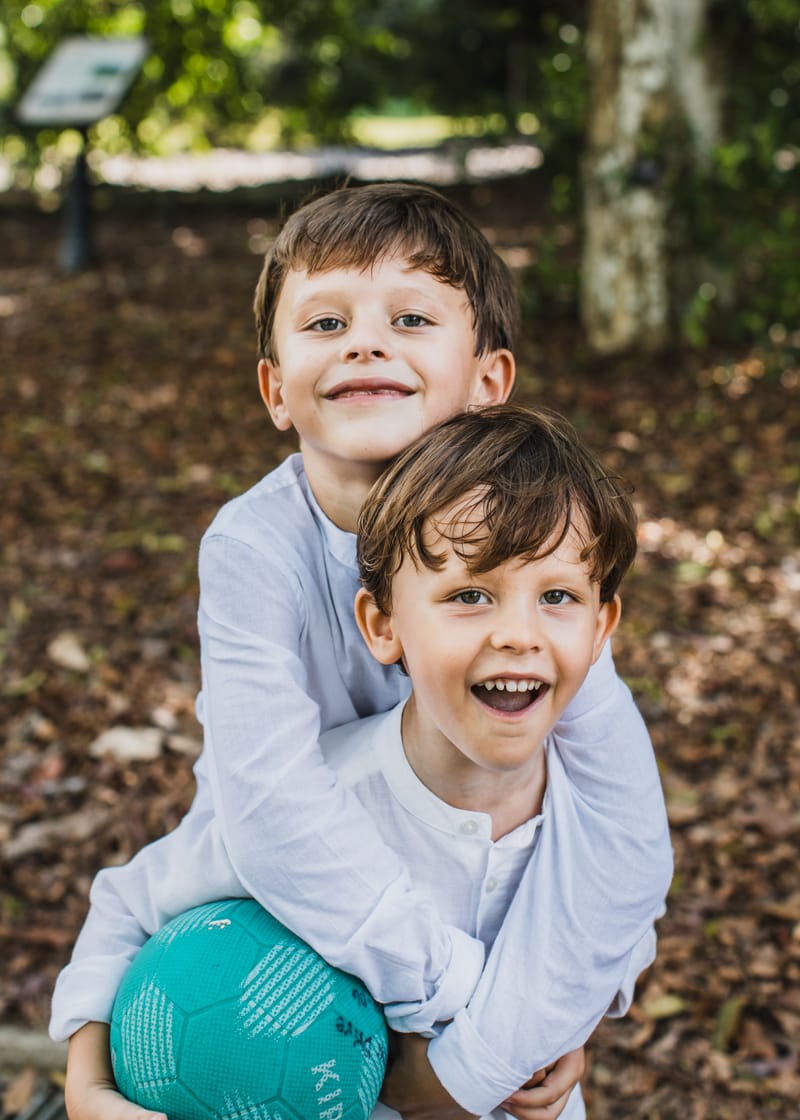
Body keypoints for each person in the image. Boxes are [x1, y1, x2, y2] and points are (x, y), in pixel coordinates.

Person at [51, 183, 672, 1120]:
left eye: (411, 318)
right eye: (327, 322)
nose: (365, 344)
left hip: (468, 869)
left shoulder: (533, 554)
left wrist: (521, 1036)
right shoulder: (256, 549)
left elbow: (623, 837)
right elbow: (264, 812)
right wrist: (468, 997)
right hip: (296, 922)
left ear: (489, 382)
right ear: (275, 388)